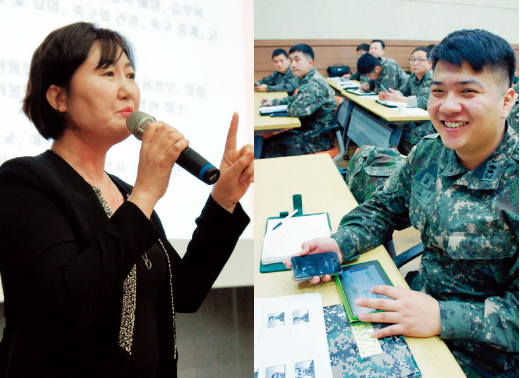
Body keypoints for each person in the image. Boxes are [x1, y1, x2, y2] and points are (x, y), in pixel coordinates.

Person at [0, 22, 254, 377]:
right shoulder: (23, 182)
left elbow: (184, 292)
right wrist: (145, 193)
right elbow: (67, 306)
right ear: (58, 97)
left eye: (130, 74)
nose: (127, 91)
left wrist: (223, 201)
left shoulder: (123, 192)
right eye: (107, 73)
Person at [286, 29, 518, 378]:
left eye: (468, 91)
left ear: (506, 100)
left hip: (484, 354)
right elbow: (384, 208)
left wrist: (441, 316)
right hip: (411, 311)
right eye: (438, 91)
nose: (447, 106)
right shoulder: (429, 151)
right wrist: (339, 242)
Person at [259, 44, 336, 158]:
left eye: (297, 60)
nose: (293, 65)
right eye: (291, 61)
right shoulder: (307, 79)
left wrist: (288, 104)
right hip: (306, 133)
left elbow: (295, 110)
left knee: (267, 147)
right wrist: (274, 102)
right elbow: (296, 98)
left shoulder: (314, 85)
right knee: (265, 143)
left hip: (314, 140)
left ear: (310, 63)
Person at [379, 46, 436, 154]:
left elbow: (424, 101)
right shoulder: (412, 77)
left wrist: (398, 98)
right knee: (391, 126)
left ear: (430, 63)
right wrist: (391, 96)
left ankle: (414, 163)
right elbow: (402, 91)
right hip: (417, 118)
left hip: (432, 120)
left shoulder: (432, 77)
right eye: (413, 59)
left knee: (408, 136)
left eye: (419, 60)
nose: (415, 63)